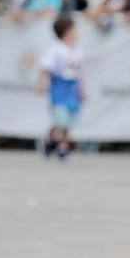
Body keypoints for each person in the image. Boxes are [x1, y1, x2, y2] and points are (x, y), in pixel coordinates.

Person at [37, 14, 85, 160]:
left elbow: (79, 72)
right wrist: (41, 83)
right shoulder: (55, 49)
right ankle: (60, 146)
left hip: (72, 88)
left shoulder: (77, 50)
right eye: (74, 29)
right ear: (66, 31)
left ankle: (56, 143)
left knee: (69, 119)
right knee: (60, 120)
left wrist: (82, 90)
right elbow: (44, 68)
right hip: (60, 87)